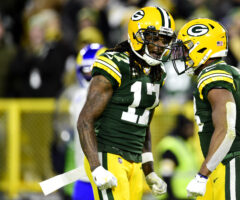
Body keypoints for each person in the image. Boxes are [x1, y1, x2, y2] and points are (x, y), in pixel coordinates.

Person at [77, 6, 176, 200]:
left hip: (134, 161)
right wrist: (96, 167)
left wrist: (149, 170)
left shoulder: (157, 73)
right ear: (137, 35)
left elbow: (143, 124)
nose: (159, 45)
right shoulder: (115, 63)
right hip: (109, 154)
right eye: (154, 37)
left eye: (164, 39)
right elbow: (85, 120)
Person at [169, 18, 240, 199]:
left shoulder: (213, 74)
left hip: (233, 162)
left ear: (202, 47)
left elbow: (227, 129)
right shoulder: (230, 71)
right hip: (228, 162)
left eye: (186, 48)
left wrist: (201, 175)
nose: (183, 54)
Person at [68, 43, 107, 200]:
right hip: (92, 176)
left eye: (94, 72)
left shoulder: (77, 97)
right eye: (87, 72)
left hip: (101, 174)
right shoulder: (79, 97)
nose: (91, 77)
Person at [156, 114, 201, 200]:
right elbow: (166, 174)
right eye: (189, 128)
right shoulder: (170, 146)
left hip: (186, 195)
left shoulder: (186, 143)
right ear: (182, 128)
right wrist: (171, 196)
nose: (192, 131)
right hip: (174, 196)